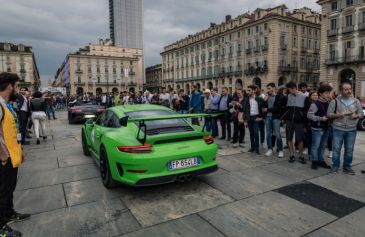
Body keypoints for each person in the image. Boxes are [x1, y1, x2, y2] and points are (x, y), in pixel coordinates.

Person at [0, 72, 30, 237]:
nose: (17, 90)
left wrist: (19, 151)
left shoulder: (5, 105)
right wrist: (3, 155)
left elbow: (10, 131)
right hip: (4, 158)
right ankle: (1, 228)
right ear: (10, 86)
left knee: (9, 189)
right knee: (2, 192)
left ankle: (9, 213)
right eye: (16, 86)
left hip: (12, 155)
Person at [327, 81, 364, 174]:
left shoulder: (356, 101)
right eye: (346, 89)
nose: (349, 91)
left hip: (351, 130)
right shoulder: (334, 101)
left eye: (350, 89)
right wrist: (337, 115)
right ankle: (335, 166)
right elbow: (329, 115)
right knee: (336, 149)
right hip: (338, 129)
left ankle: (347, 167)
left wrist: (356, 116)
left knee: (349, 149)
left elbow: (361, 114)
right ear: (341, 90)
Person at [307, 85, 333, 170]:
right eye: (326, 93)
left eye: (329, 93)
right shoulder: (315, 104)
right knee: (315, 146)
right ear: (321, 94)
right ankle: (314, 161)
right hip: (317, 128)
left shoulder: (329, 102)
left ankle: (321, 160)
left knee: (322, 146)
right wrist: (320, 118)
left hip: (326, 128)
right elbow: (309, 115)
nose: (328, 94)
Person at [284, 82, 308, 164]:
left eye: (289, 89)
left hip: (299, 121)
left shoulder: (304, 96)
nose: (289, 91)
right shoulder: (289, 96)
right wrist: (286, 118)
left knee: (300, 139)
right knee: (289, 138)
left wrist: (304, 122)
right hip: (289, 121)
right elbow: (287, 108)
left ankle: (301, 155)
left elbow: (306, 110)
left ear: (294, 88)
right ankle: (291, 154)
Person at [263, 83, 285, 158]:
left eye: (269, 88)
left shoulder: (279, 96)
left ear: (273, 88)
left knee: (277, 134)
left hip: (275, 117)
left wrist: (267, 109)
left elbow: (277, 108)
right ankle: (270, 149)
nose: (268, 90)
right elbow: (263, 108)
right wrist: (264, 101)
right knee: (268, 134)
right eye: (267, 88)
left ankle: (281, 150)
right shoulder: (266, 96)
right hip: (267, 117)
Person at [243, 85, 265, 154]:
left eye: (249, 90)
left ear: (254, 90)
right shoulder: (246, 99)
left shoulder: (259, 98)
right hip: (249, 118)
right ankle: (252, 147)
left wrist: (261, 117)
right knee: (251, 133)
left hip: (256, 118)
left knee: (256, 133)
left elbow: (263, 109)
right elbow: (245, 110)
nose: (247, 92)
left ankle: (257, 148)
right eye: (247, 90)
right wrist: (245, 120)